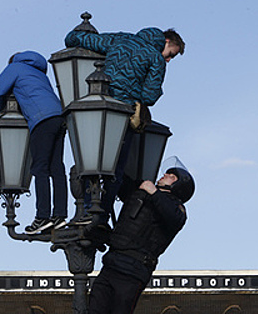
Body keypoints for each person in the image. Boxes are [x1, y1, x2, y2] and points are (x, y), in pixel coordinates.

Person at [65, 27, 185, 225]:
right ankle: (101, 215)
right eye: (170, 54)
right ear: (165, 42)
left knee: (92, 160)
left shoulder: (120, 39)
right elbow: (149, 96)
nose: (168, 60)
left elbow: (75, 39)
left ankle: (86, 209)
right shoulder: (155, 59)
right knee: (115, 170)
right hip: (122, 116)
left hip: (99, 108)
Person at [86, 165, 195, 314]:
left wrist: (154, 192)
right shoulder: (140, 192)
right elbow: (120, 179)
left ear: (178, 186)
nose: (165, 175)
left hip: (133, 272)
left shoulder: (177, 208)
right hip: (112, 264)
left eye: (172, 176)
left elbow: (172, 216)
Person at [0, 51, 68, 234]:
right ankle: (60, 216)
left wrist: (1, 108)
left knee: (39, 168)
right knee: (57, 168)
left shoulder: (15, 67)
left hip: (42, 120)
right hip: (59, 117)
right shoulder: (39, 73)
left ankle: (42, 217)